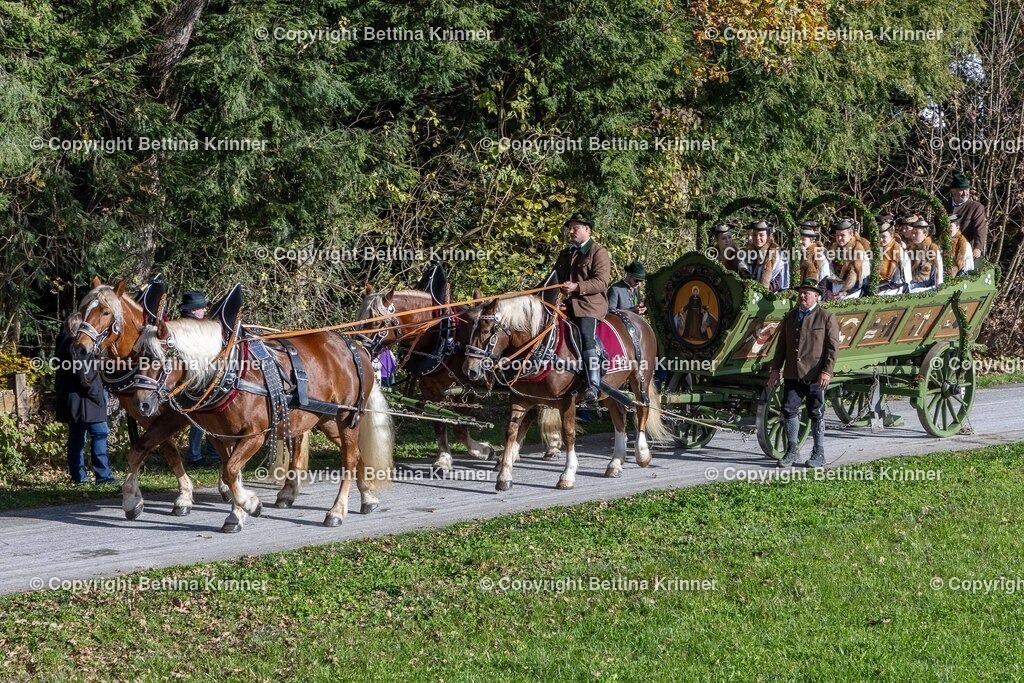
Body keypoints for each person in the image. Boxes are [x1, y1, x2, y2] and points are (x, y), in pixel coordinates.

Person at [768, 277, 840, 468]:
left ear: (816, 296)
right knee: (789, 410)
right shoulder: (790, 317)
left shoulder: (826, 317)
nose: (803, 296)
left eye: (807, 293)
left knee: (816, 412)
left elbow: (833, 348)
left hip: (816, 374)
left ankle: (819, 453)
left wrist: (826, 371)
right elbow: (781, 346)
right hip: (792, 373)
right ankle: (792, 451)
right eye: (801, 292)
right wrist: (776, 370)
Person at [554, 211, 611, 403]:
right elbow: (553, 279)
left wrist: (577, 287)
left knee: (587, 336)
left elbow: (601, 283)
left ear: (587, 229)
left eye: (575, 227)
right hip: (564, 305)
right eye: (570, 228)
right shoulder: (565, 254)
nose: (571, 231)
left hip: (589, 306)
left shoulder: (598, 252)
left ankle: (592, 384)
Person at [54, 321, 116, 485]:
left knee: (76, 437)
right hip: (87, 401)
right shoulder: (79, 347)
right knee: (100, 433)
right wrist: (98, 397)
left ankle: (78, 476)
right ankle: (103, 476)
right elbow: (86, 377)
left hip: (72, 400)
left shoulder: (63, 343)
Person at [179, 290, 219, 465]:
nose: (204, 311)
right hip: (197, 378)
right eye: (202, 308)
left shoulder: (182, 323)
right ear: (194, 310)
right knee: (200, 419)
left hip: (194, 377)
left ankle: (211, 451)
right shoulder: (195, 327)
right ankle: (195, 455)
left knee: (206, 417)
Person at [943, 171, 987, 259]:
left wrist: (978, 248)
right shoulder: (943, 207)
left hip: (964, 251)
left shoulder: (975, 207)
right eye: (961, 190)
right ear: (952, 191)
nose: (965, 193)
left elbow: (980, 229)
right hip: (944, 251)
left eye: (967, 189)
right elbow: (937, 228)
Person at [826, 218, 870, 299]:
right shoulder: (833, 249)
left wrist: (845, 292)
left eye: (842, 235)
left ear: (851, 235)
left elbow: (863, 280)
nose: (839, 238)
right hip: (833, 290)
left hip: (851, 292)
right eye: (837, 235)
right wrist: (828, 290)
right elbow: (828, 273)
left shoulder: (859, 250)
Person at [738, 220, 787, 291]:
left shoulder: (777, 255)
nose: (757, 238)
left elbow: (778, 282)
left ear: (768, 236)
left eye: (761, 235)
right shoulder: (746, 254)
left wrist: (759, 291)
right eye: (755, 235)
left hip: (768, 296)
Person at [907, 219, 943, 291]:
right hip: (913, 282)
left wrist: (938, 288)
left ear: (925, 234)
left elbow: (938, 269)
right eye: (912, 233)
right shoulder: (911, 249)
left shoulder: (932, 248)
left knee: (909, 289)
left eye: (916, 233)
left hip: (927, 284)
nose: (913, 235)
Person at [877, 218, 911, 294]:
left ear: (892, 235)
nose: (881, 239)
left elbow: (903, 280)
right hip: (883, 285)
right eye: (879, 237)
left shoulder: (899, 252)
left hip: (897, 287)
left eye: (884, 237)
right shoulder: (879, 251)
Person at [797, 221, 831, 287]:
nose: (800, 241)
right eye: (799, 238)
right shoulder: (798, 255)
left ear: (812, 241)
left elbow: (823, 284)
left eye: (804, 239)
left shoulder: (820, 257)